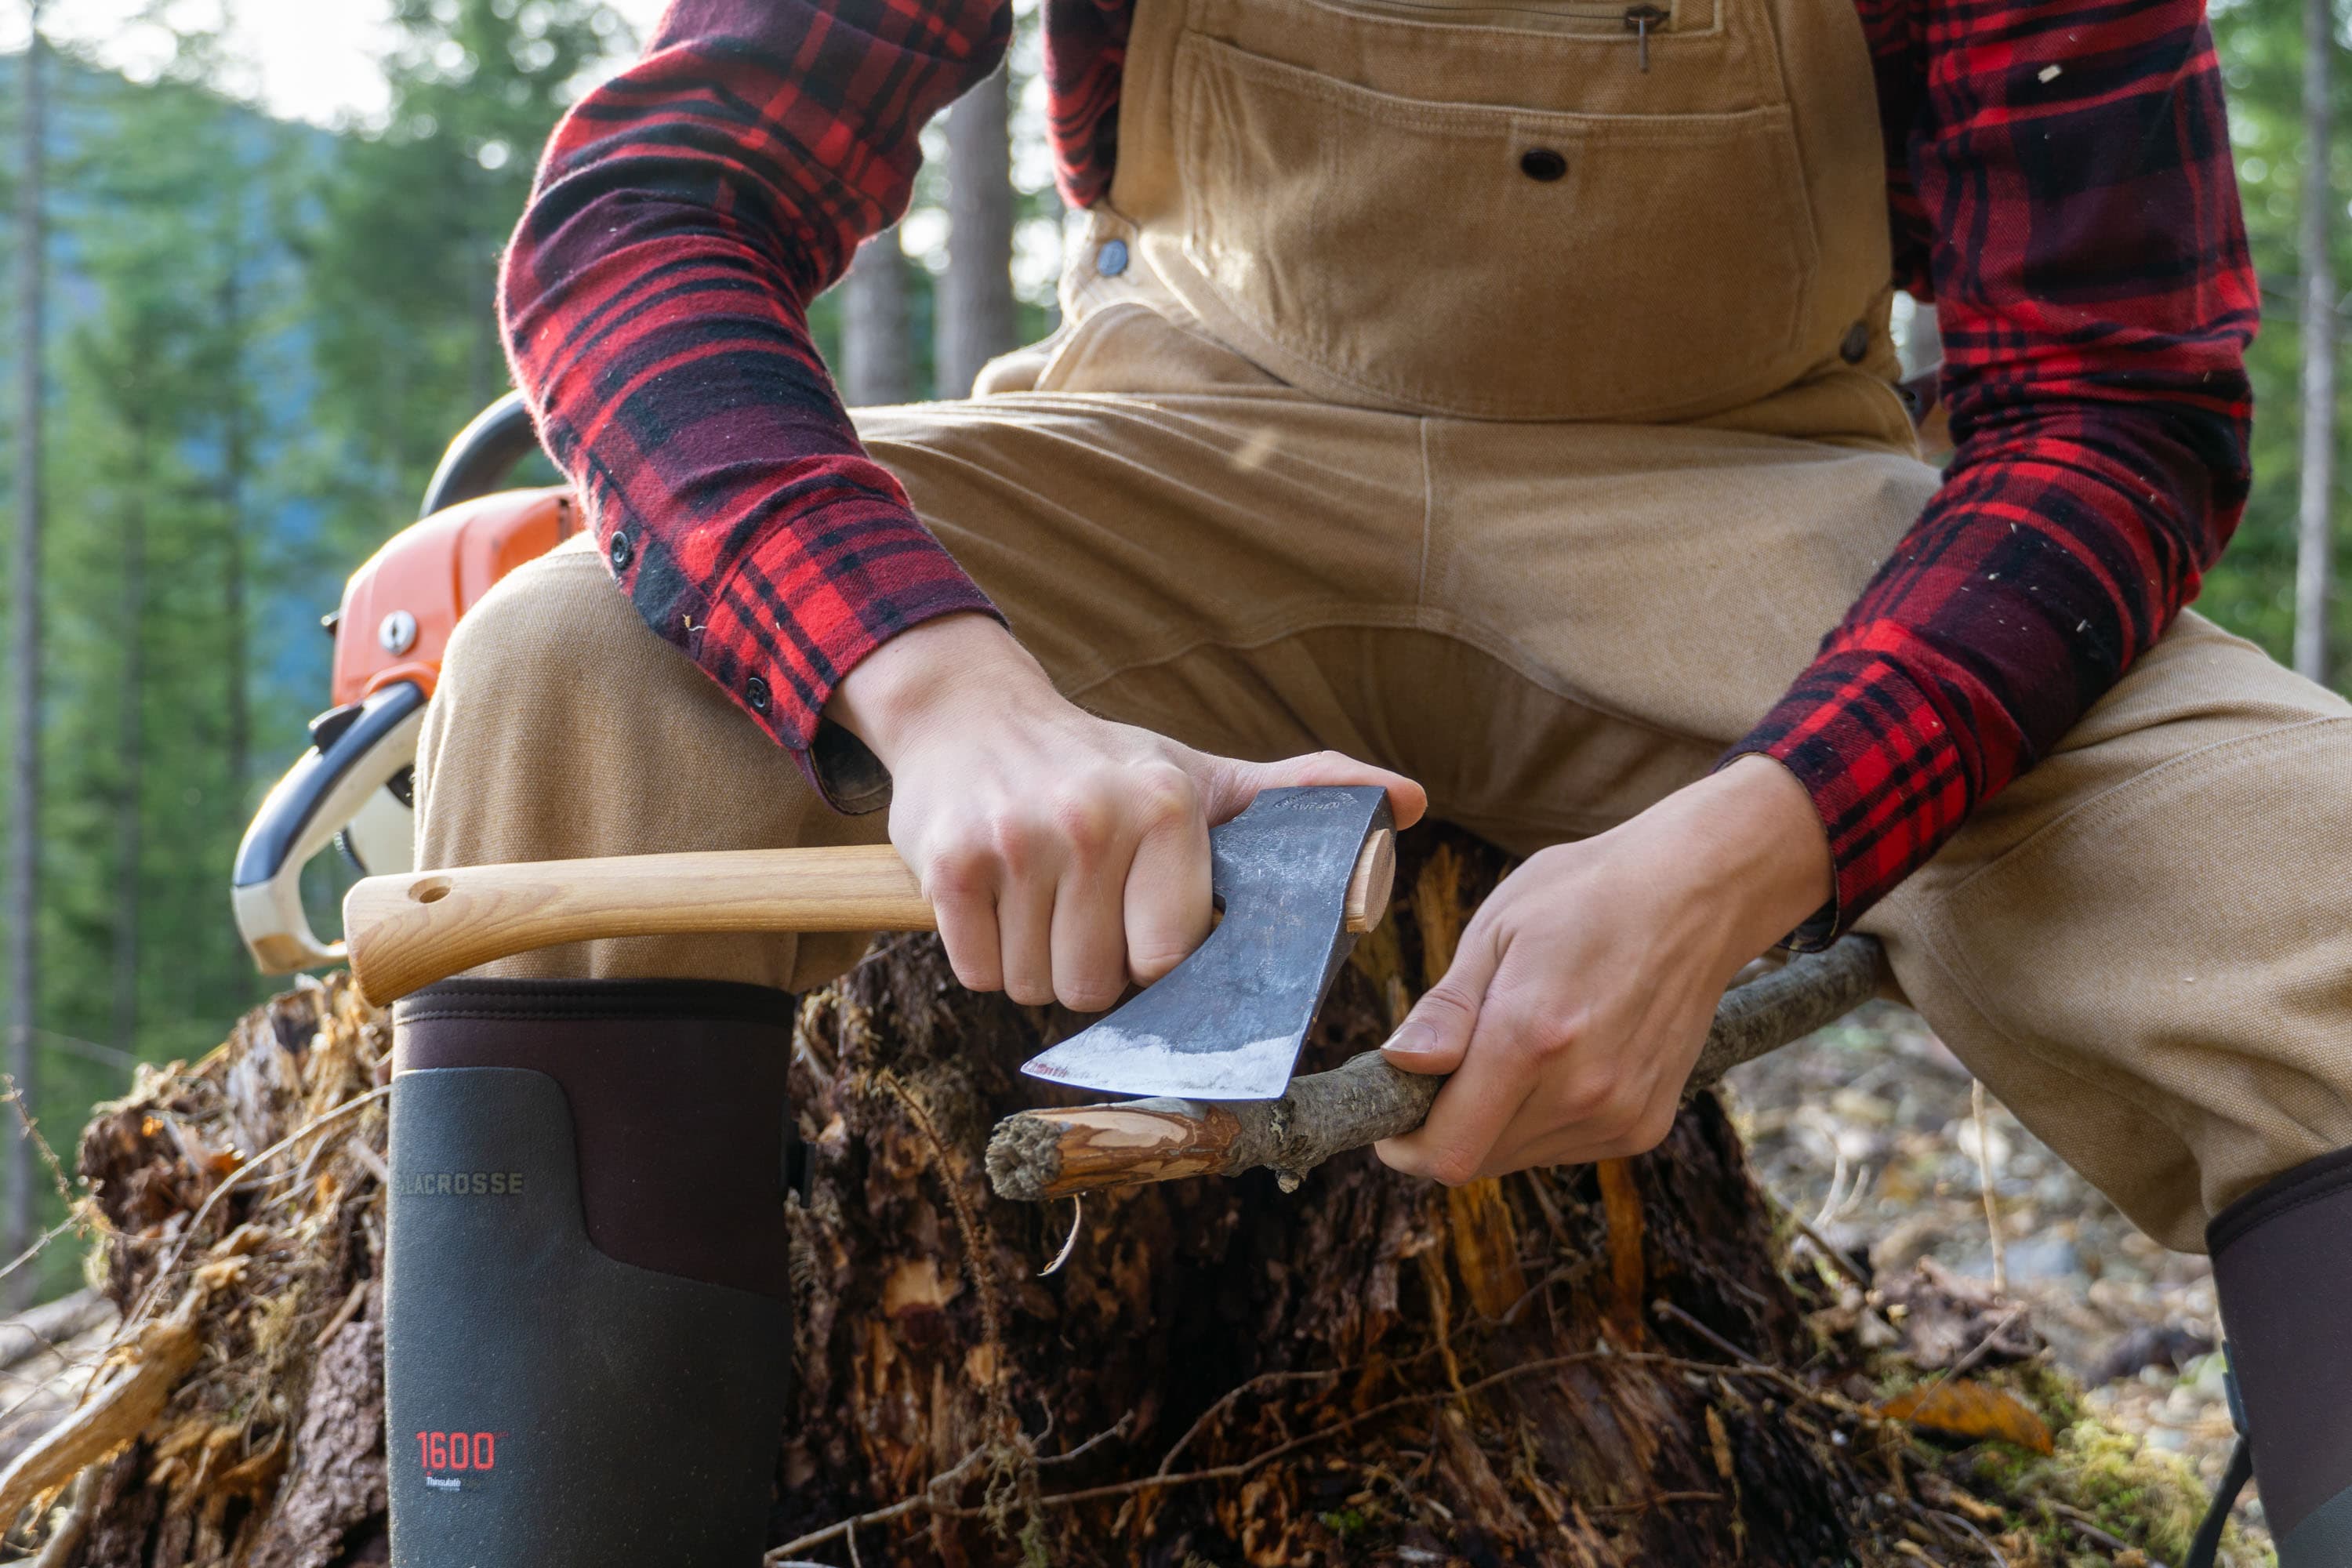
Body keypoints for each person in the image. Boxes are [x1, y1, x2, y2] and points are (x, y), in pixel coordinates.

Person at [379, 0, 2350, 1562]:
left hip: (1762, 501)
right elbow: (651, 212)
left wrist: (1754, 851)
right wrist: (948, 691)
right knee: (570, 681)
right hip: (1181, 453)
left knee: (2314, 888)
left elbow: (2119, 402)